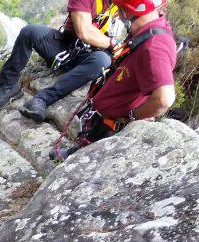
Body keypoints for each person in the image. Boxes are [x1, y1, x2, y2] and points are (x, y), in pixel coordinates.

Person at [66, 0, 178, 150]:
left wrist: (130, 117)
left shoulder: (154, 46)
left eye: (120, 9)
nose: (119, 14)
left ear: (129, 11)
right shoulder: (145, 34)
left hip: (112, 131)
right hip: (103, 124)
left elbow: (164, 99)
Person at [0, 0, 119, 122]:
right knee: (30, 31)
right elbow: (84, 32)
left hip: (91, 54)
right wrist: (113, 43)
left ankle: (41, 100)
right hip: (66, 45)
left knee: (102, 60)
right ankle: (8, 85)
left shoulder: (118, 4)